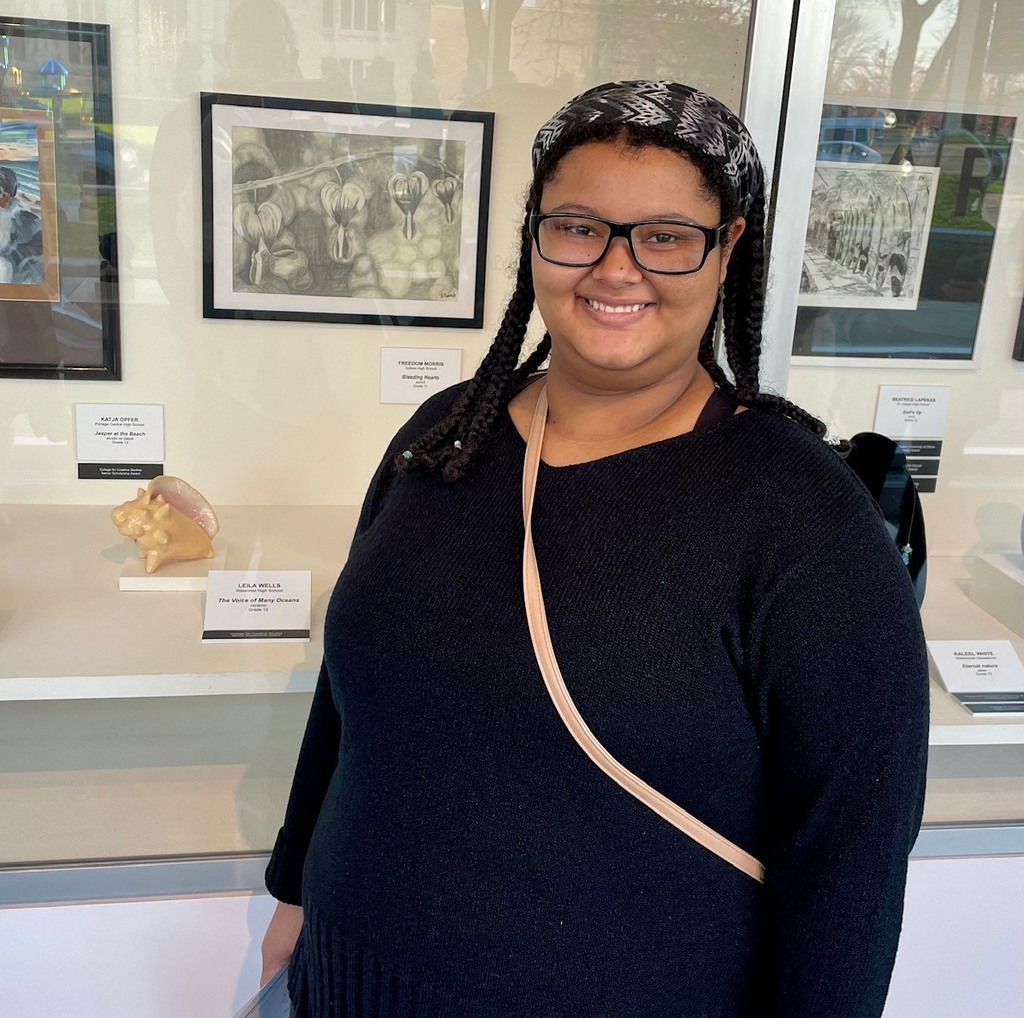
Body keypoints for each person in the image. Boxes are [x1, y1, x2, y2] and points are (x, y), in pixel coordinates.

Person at [261, 80, 929, 1017]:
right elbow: (348, 704)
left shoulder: (806, 523)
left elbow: (849, 862)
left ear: (728, 247)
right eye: (579, 226)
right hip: (346, 979)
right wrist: (292, 892)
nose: (616, 269)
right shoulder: (445, 439)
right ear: (536, 233)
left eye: (665, 235)